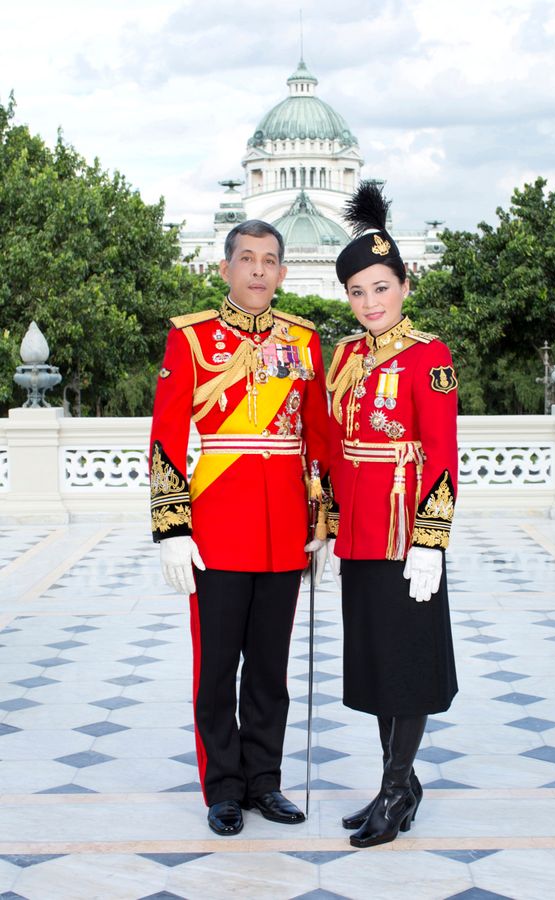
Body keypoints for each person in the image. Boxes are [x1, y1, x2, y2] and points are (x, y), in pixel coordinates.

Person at [149, 220, 329, 836]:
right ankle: (222, 788)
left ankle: (264, 783)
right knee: (217, 666)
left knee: (269, 670)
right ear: (225, 268)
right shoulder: (193, 338)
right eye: (246, 258)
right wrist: (173, 527)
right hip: (218, 527)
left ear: (282, 272)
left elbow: (320, 438)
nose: (258, 270)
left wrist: (323, 521)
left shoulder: (303, 341)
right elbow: (168, 435)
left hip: (284, 530)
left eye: (269, 260)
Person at [326, 182, 458, 849]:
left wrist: (431, 541)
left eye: (381, 287)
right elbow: (330, 445)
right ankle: (397, 785)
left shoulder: (429, 356)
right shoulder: (346, 357)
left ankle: (395, 787)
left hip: (408, 536)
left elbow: (442, 454)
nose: (371, 303)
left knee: (407, 665)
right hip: (358, 537)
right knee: (378, 665)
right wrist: (325, 523)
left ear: (404, 285)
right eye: (358, 292)